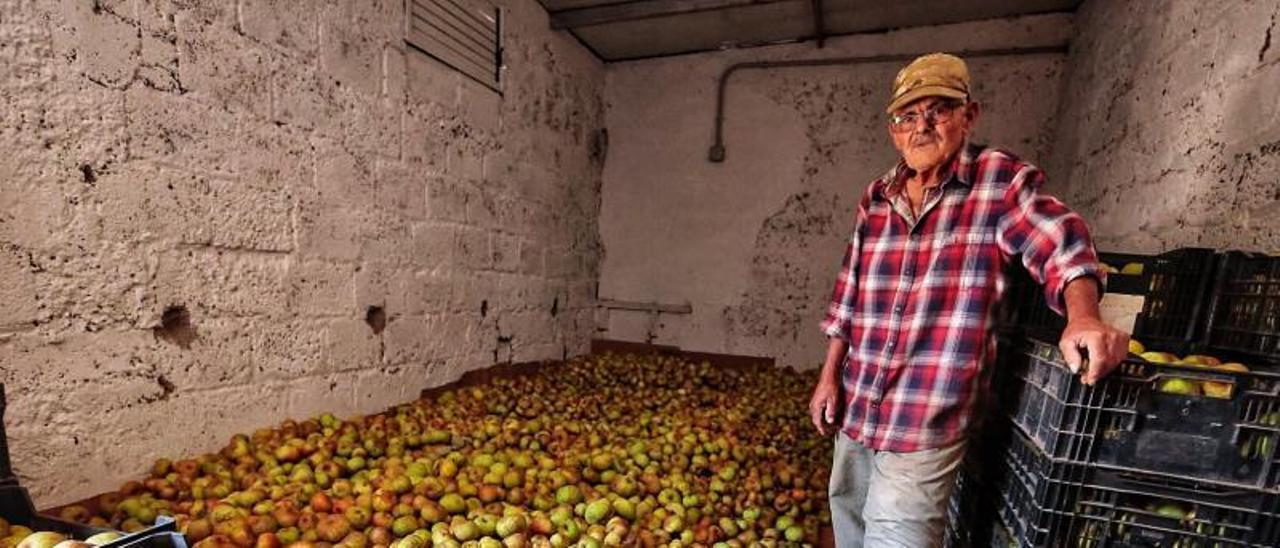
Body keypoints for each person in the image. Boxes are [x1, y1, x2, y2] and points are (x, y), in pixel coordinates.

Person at [809, 52, 1129, 547]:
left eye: (937, 110)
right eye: (907, 116)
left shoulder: (998, 181)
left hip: (926, 412)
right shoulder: (877, 197)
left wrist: (1083, 317)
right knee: (849, 518)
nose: (921, 127)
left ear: (968, 115)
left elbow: (1061, 242)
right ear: (893, 129)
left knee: (896, 538)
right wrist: (830, 375)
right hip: (858, 402)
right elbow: (849, 290)